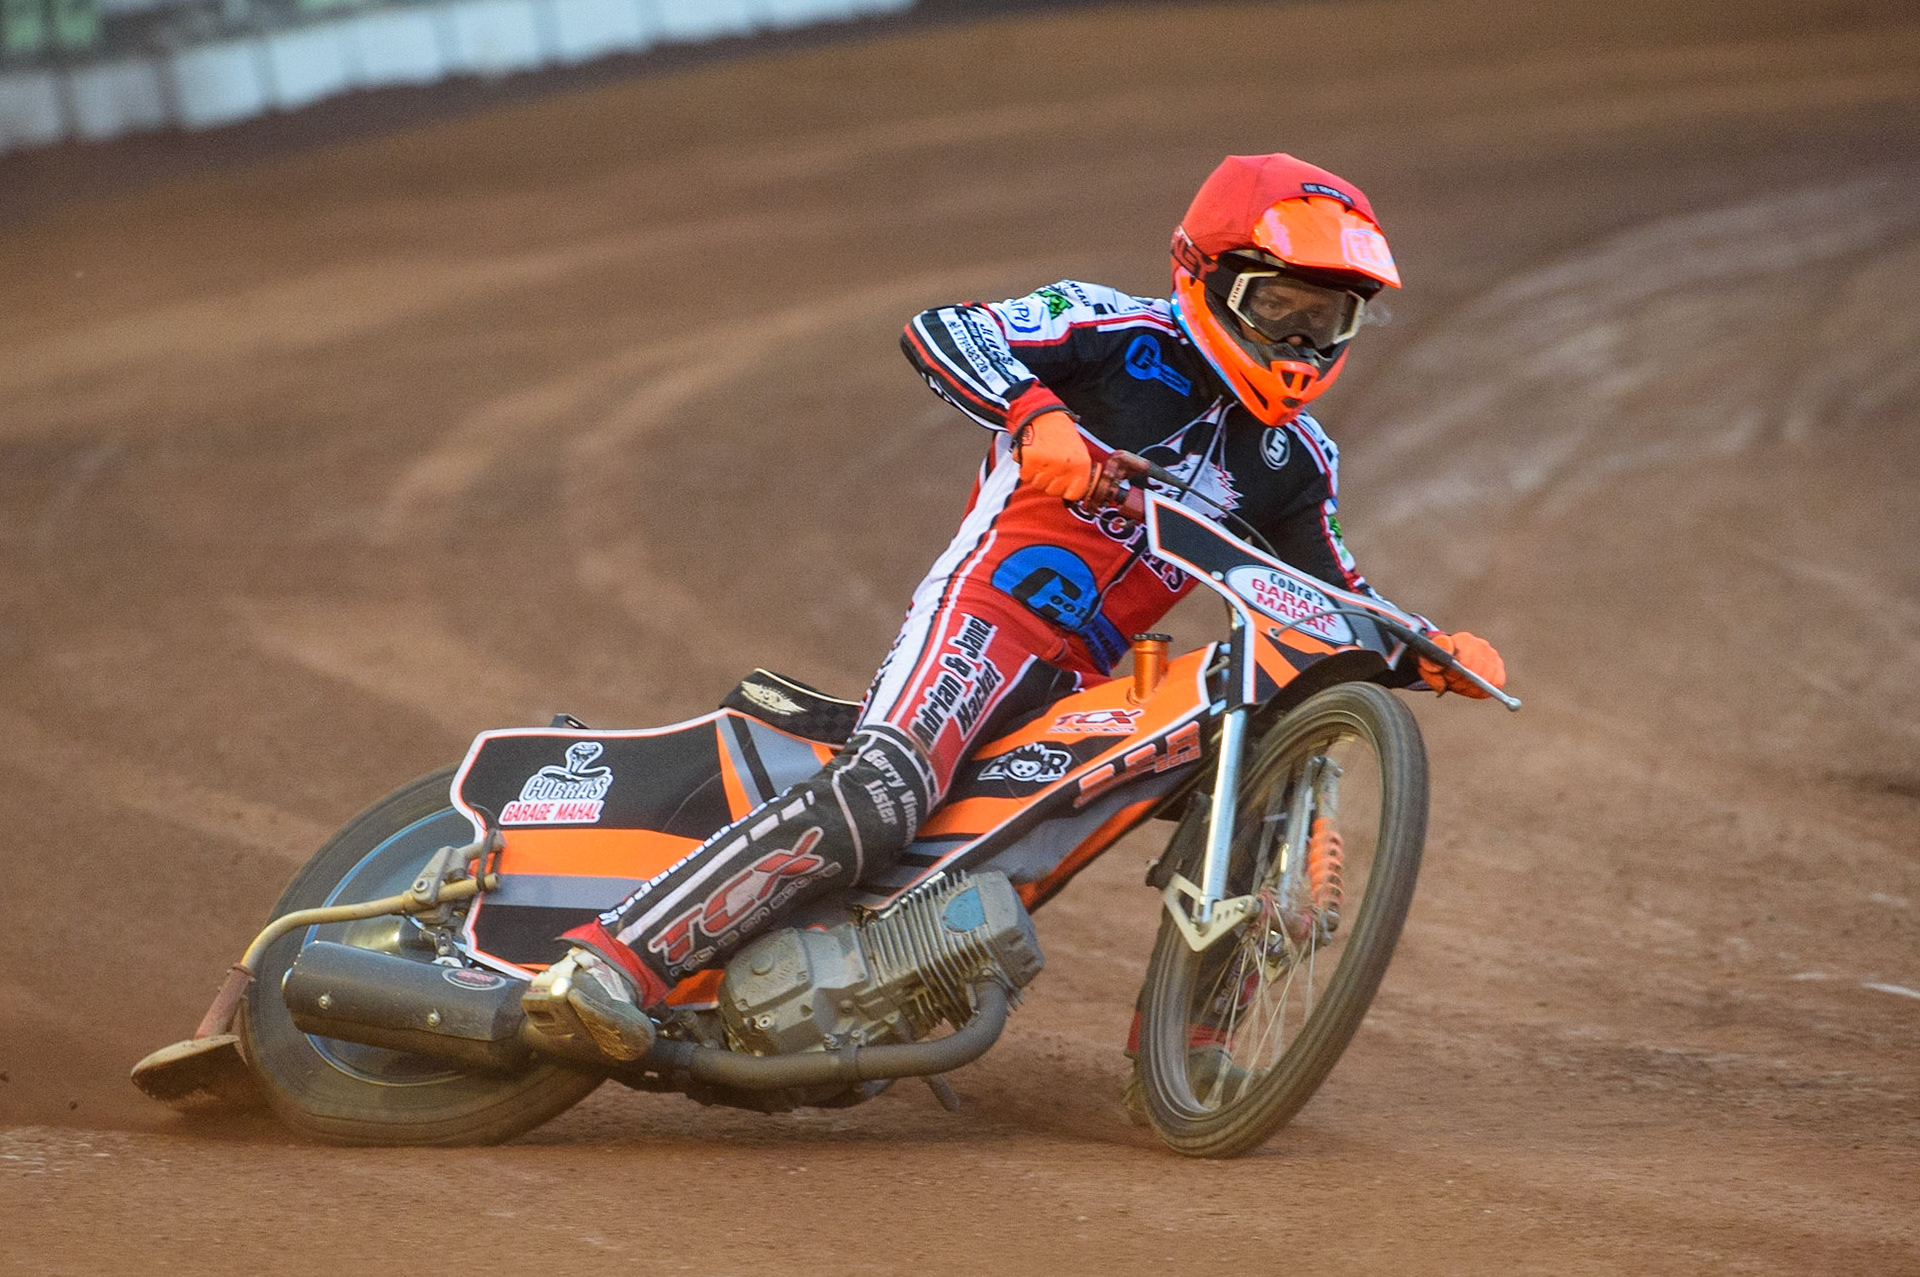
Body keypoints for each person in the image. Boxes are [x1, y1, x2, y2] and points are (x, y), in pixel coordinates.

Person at [519, 153, 1506, 1064]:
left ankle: (1197, 1036)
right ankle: (610, 963)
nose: (1300, 340)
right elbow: (943, 327)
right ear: (1204, 273)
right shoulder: (1113, 331)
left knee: (1245, 751)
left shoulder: (1299, 462)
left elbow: (1330, 590)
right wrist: (1036, 414)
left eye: (1328, 320)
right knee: (886, 791)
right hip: (984, 617)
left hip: (1084, 686)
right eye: (1280, 305)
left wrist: (1420, 645)